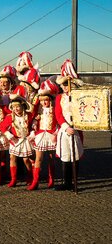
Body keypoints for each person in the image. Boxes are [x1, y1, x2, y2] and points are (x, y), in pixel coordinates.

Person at [54, 60, 84, 191]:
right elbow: (58, 114)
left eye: (67, 84)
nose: (65, 87)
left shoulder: (80, 96)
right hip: (65, 130)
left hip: (76, 129)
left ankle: (75, 182)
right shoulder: (59, 98)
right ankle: (66, 182)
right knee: (65, 156)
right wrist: (66, 127)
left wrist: (76, 126)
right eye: (63, 85)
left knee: (75, 156)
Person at [0, 87, 35, 188]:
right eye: (14, 107)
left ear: (22, 107)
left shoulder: (29, 116)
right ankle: (13, 179)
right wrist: (9, 135)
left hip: (26, 140)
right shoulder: (10, 116)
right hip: (15, 140)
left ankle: (30, 175)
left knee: (26, 159)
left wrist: (32, 133)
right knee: (12, 157)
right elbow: (2, 127)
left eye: (18, 107)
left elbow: (34, 125)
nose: (16, 109)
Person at [30, 79, 59, 190]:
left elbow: (58, 122)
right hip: (41, 134)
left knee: (52, 158)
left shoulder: (55, 109)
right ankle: (35, 180)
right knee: (38, 158)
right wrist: (35, 121)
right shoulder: (39, 110)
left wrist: (56, 132)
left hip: (52, 135)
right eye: (42, 101)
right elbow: (34, 122)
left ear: (50, 100)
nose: (44, 103)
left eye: (46, 100)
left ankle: (51, 178)